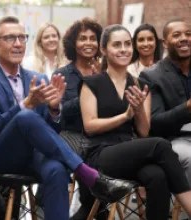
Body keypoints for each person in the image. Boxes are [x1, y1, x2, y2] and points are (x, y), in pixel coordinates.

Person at [0, 16, 132, 220]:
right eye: (10, 38)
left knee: (57, 169)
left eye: (22, 37)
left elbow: (50, 131)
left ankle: (84, 175)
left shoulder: (39, 78)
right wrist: (27, 104)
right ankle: (88, 174)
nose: (18, 44)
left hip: (33, 154)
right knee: (25, 116)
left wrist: (54, 109)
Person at [79, 24, 191, 220]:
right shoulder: (92, 83)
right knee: (161, 144)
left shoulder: (141, 85)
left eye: (127, 44)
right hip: (101, 154)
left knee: (157, 176)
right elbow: (90, 126)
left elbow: (144, 131)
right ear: (104, 49)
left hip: (131, 150)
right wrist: (124, 116)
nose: (124, 49)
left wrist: (138, 111)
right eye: (117, 45)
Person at [53, 17, 107, 220]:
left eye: (93, 38)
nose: (89, 43)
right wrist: (90, 87)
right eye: (82, 38)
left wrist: (101, 81)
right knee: (90, 155)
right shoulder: (62, 74)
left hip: (101, 131)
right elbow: (62, 112)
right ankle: (97, 211)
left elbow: (113, 107)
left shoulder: (107, 71)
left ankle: (93, 210)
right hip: (72, 134)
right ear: (73, 44)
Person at [140, 18, 191, 188]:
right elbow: (155, 122)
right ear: (165, 43)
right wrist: (187, 108)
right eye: (176, 35)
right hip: (174, 140)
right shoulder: (151, 76)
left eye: (188, 34)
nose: (184, 38)